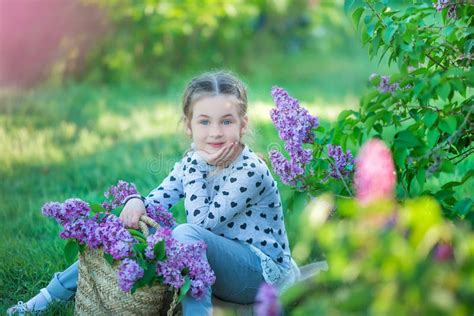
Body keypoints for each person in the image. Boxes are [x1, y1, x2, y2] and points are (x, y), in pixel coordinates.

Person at [7, 71, 299, 315]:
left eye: (227, 121)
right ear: (189, 126)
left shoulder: (249, 170)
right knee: (123, 232)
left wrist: (196, 164)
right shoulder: (193, 160)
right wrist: (135, 201)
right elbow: (158, 200)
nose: (215, 133)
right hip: (221, 258)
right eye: (204, 121)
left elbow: (199, 226)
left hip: (260, 274)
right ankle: (45, 298)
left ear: (242, 125)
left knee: (186, 236)